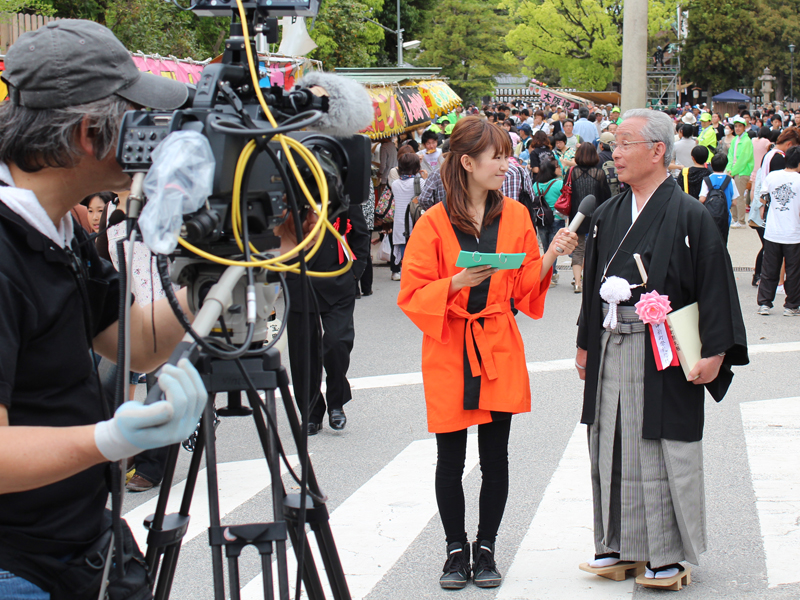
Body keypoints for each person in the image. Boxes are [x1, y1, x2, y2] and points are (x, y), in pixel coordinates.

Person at [0, 19, 209, 597]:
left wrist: (225, 272)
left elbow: (132, 341)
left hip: (81, 543)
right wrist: (107, 439)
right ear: (92, 134)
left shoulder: (58, 222)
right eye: (138, 120)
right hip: (20, 565)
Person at [397, 116, 577, 590]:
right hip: (450, 345)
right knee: (450, 457)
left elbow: (522, 289)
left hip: (497, 340)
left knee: (497, 457)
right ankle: (455, 548)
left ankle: (488, 547)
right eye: (496, 156)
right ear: (467, 162)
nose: (505, 164)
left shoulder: (515, 216)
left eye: (506, 154)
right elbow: (412, 293)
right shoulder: (433, 222)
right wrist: (456, 282)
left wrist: (552, 253)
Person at [576, 109, 748, 586]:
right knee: (610, 439)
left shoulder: (690, 213)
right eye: (614, 143)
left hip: (666, 347)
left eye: (625, 143)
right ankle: (618, 544)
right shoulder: (609, 212)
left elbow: (715, 285)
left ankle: (667, 554)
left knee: (661, 446)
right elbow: (593, 283)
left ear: (657, 151)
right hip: (612, 341)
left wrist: (715, 352)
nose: (615, 152)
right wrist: (584, 344)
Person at [284, 200, 370, 435]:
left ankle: (336, 403)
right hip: (300, 283)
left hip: (338, 283)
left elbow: (361, 236)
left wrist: (355, 273)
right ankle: (310, 411)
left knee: (337, 343)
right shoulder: (293, 196)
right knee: (304, 353)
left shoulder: (343, 197)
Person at [756, 146, 800, 316]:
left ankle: (765, 303)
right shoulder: (798, 180)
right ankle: (791, 305)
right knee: (794, 271)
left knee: (769, 269)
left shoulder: (772, 176)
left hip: (773, 231)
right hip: (793, 232)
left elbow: (763, 197)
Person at [565, 142, 612, 293]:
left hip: (577, 216)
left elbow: (566, 192)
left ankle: (577, 282)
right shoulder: (599, 173)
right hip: (596, 216)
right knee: (594, 249)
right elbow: (606, 197)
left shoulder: (572, 172)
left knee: (577, 249)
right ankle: (590, 280)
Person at [389, 152, 423, 280]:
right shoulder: (420, 182)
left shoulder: (395, 184)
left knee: (405, 255)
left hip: (400, 226)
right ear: (416, 167)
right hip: (416, 223)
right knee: (417, 255)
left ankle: (406, 276)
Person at [533, 160, 565, 286]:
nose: (559, 169)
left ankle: (549, 273)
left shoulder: (535, 185)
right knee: (554, 248)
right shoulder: (559, 184)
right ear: (552, 170)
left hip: (541, 218)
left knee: (546, 248)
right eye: (557, 167)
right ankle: (550, 275)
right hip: (556, 217)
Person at [699, 152, 739, 244]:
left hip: (709, 216)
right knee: (723, 241)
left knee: (709, 241)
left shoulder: (707, 180)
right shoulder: (730, 181)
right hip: (725, 216)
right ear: (725, 165)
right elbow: (734, 202)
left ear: (711, 165)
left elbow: (702, 199)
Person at [727, 115, 755, 228]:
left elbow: (743, 159)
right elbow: (730, 156)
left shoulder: (747, 141)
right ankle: (734, 219)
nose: (737, 128)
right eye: (736, 126)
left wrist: (733, 171)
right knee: (732, 195)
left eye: (740, 126)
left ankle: (741, 220)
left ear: (744, 127)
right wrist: (729, 169)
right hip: (733, 171)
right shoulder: (735, 139)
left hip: (742, 172)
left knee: (739, 196)